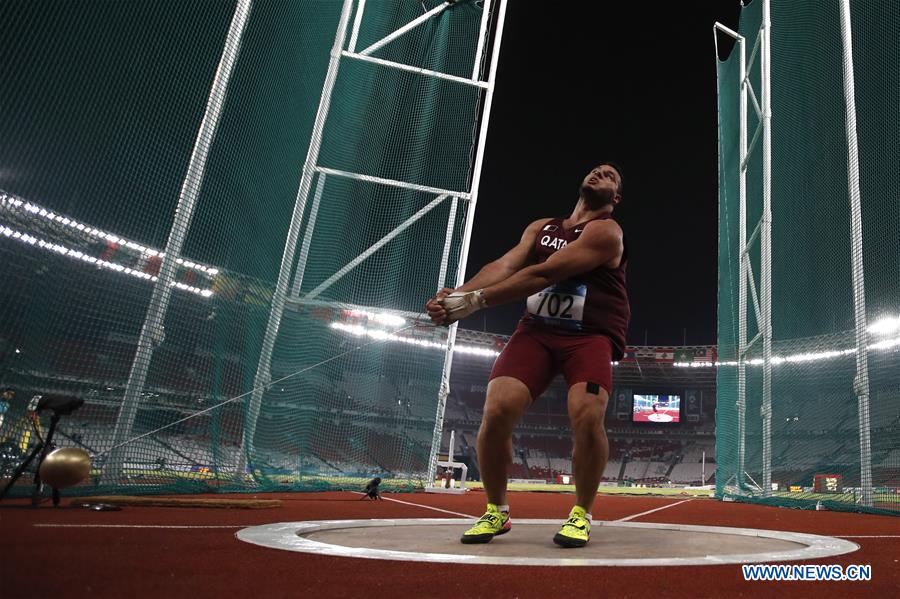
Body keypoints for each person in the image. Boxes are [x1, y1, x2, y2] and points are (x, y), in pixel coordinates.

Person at [426, 162, 629, 548]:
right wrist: (457, 295)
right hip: (536, 331)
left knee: (588, 415)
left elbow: (544, 274)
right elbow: (504, 265)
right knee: (497, 410)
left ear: (615, 198)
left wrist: (474, 302)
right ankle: (495, 510)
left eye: (609, 176)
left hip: (589, 335)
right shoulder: (541, 227)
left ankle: (581, 513)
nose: (598, 173)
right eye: (595, 170)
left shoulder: (607, 232)